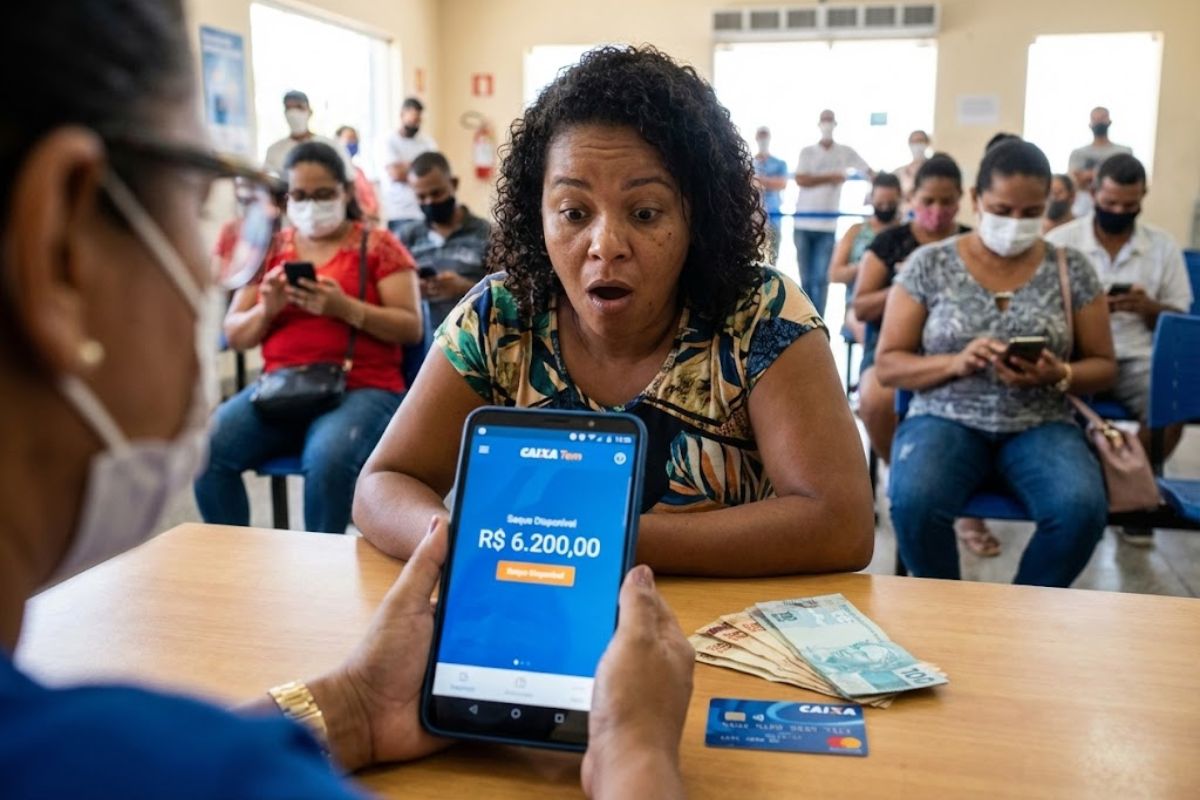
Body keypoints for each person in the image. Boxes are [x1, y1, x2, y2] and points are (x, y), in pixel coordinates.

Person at [0, 5, 695, 797]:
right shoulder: (198, 767)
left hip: (353, 394)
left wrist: (357, 707)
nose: (205, 265)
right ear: (57, 247)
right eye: (200, 202)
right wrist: (639, 749)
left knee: (335, 449)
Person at [353, 46, 875, 577]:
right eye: (574, 212)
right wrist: (460, 541)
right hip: (540, 625)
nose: (606, 245)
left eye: (645, 213)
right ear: (538, 217)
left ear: (698, 216)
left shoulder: (761, 314)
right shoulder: (500, 317)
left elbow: (840, 524)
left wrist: (597, 538)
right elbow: (382, 484)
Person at [876, 140, 1117, 587]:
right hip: (944, 417)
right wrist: (955, 363)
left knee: (1080, 510)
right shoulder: (931, 265)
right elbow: (888, 365)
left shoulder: (1072, 268)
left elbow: (1104, 365)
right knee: (914, 502)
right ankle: (944, 611)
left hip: (1041, 420)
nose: (1016, 224)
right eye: (1003, 209)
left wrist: (1059, 373)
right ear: (976, 200)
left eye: (1031, 213)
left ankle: (1023, 613)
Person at [195, 141, 423, 534]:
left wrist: (344, 308)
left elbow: (411, 327)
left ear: (345, 193)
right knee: (207, 450)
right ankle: (230, 562)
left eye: (323, 195)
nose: (310, 205)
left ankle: (320, 578)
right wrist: (267, 308)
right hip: (281, 388)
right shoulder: (271, 249)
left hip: (361, 386)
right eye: (299, 195)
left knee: (329, 461)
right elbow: (235, 333)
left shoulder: (380, 246)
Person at [1045, 153, 1192, 545]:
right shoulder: (1061, 242)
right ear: (1094, 193)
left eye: (1129, 205)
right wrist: (1090, 312)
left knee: (1171, 399)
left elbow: (1180, 317)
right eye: (1110, 204)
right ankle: (1085, 488)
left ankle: (1130, 492)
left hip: (1137, 353)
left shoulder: (1161, 246)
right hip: (1074, 352)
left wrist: (1149, 309)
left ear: (1143, 196)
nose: (1119, 212)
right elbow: (1037, 312)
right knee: (1043, 405)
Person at [852, 155, 970, 473]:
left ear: (962, 199)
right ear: (912, 198)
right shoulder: (889, 243)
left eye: (947, 201)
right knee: (875, 400)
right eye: (928, 200)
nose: (937, 209)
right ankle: (900, 469)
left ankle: (963, 499)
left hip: (958, 348)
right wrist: (909, 288)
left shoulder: (971, 244)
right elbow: (861, 307)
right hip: (891, 347)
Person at [393, 151, 492, 329]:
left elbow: (509, 293)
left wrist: (465, 289)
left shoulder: (487, 234)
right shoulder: (406, 237)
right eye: (421, 197)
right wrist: (412, 290)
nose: (430, 202)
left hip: (474, 335)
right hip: (420, 338)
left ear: (453, 184)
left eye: (436, 193)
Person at [793, 109, 873, 317]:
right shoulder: (807, 152)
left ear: (835, 124)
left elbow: (869, 171)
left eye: (830, 120)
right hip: (802, 223)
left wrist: (872, 192)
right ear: (819, 124)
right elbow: (801, 179)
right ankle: (802, 321)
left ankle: (816, 323)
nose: (827, 124)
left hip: (827, 226)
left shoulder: (845, 152)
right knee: (805, 279)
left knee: (821, 279)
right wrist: (832, 177)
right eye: (824, 120)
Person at [829, 172, 902, 344]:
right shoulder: (856, 231)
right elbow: (835, 274)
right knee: (863, 324)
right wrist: (869, 265)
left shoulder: (906, 232)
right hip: (858, 306)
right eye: (880, 202)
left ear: (900, 199)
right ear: (872, 199)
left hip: (896, 303)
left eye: (890, 203)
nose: (885, 207)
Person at [263, 90, 355, 179]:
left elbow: (349, 179)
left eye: (299, 107)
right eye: (289, 108)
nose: (294, 113)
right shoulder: (274, 151)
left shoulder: (330, 146)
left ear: (310, 111)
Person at [381, 97, 438, 234]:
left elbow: (435, 173)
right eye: (412, 119)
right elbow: (396, 174)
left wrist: (406, 165)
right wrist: (421, 166)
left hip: (424, 211)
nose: (415, 124)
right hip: (398, 213)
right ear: (402, 115)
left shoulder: (427, 142)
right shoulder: (388, 141)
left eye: (418, 120)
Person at [1067, 107, 1131, 219]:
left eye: (1102, 118)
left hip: (1115, 206)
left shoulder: (1124, 152)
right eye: (1095, 119)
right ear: (1090, 123)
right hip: (1083, 207)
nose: (1099, 122)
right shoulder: (1078, 153)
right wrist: (1108, 173)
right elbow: (1074, 180)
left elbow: (1127, 179)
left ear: (1109, 121)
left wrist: (1088, 174)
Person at [752, 126, 789, 265]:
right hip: (752, 221)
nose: (763, 138)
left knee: (772, 262)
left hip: (774, 220)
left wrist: (757, 180)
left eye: (765, 135)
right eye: (760, 135)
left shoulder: (780, 164)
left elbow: (781, 183)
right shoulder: (750, 162)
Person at [335, 125, 381, 227]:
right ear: (337, 141)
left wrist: (373, 214)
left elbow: (371, 198)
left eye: (355, 139)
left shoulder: (359, 172)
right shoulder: (334, 173)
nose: (353, 143)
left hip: (369, 225)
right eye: (349, 138)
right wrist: (365, 214)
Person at [894, 129, 930, 213]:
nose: (917, 145)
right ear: (909, 144)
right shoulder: (899, 172)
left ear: (927, 143)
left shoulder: (933, 169)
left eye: (920, 141)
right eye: (914, 142)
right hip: (903, 216)